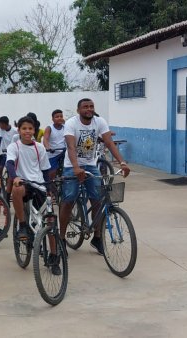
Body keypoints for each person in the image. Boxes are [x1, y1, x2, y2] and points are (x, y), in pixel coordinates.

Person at [59, 98, 130, 256]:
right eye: (85, 107)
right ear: (78, 110)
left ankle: (97, 238)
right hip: (72, 166)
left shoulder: (99, 122)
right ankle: (61, 239)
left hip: (91, 164)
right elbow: (70, 147)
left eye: (91, 106)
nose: (89, 109)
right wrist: (76, 167)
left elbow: (110, 143)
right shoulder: (71, 123)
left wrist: (122, 162)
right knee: (68, 200)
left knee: (98, 199)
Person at [43, 109, 66, 183]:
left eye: (61, 116)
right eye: (57, 117)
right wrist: (48, 147)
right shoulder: (49, 128)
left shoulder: (65, 127)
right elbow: (45, 139)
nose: (59, 118)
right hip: (53, 153)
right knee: (52, 174)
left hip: (63, 151)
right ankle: (51, 188)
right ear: (52, 119)